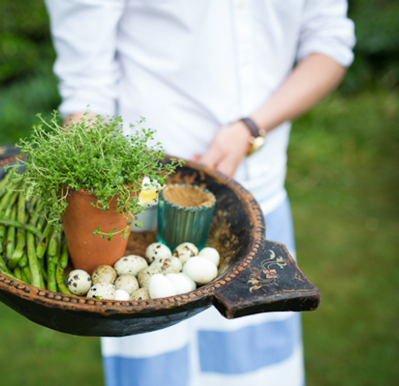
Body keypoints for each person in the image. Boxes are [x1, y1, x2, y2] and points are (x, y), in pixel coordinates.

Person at [43, 1, 355, 385]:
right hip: (145, 209)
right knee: (156, 358)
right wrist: (85, 185)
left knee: (255, 365)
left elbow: (330, 42)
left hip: (257, 200)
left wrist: (250, 129)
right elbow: (87, 84)